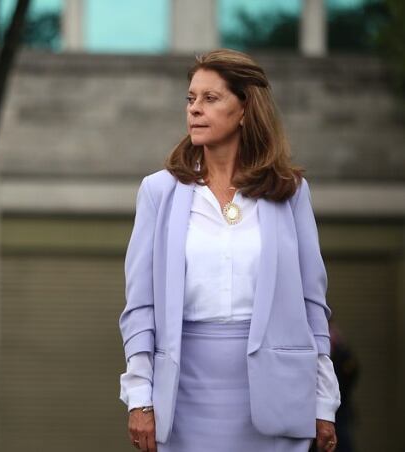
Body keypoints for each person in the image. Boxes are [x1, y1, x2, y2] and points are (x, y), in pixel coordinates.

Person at [118, 49, 341, 452]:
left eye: (210, 98)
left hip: (277, 399)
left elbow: (313, 305)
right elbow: (140, 306)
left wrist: (324, 400)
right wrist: (139, 397)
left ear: (244, 109)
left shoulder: (289, 191)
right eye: (190, 99)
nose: (195, 110)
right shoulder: (159, 192)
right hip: (182, 397)